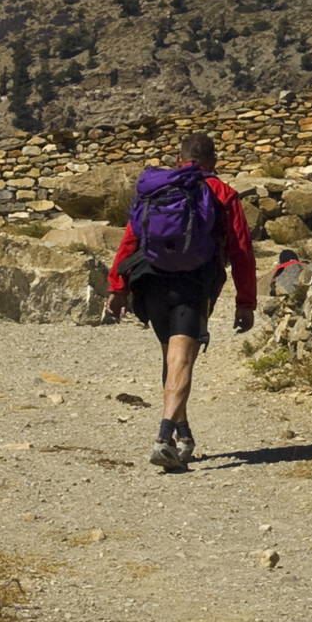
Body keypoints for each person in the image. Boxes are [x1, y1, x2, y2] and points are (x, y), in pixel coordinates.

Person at [102, 133, 255, 470]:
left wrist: (117, 287)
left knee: (170, 360)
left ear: (179, 160)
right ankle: (163, 437)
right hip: (193, 283)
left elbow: (131, 238)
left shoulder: (157, 187)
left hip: (150, 280)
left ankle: (182, 436)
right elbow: (242, 250)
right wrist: (246, 302)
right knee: (181, 360)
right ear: (213, 162)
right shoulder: (222, 192)